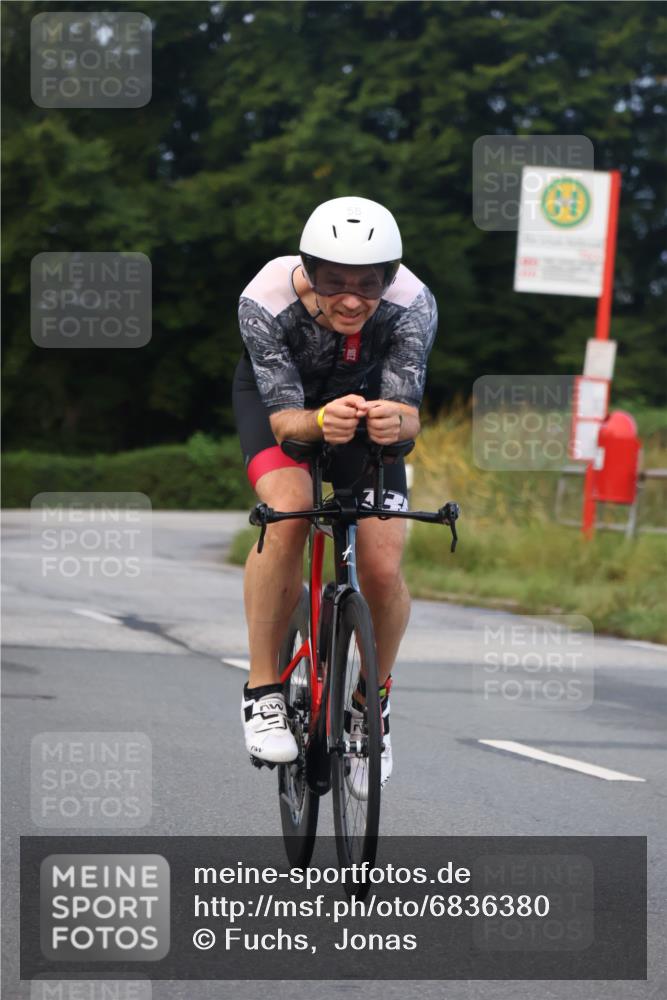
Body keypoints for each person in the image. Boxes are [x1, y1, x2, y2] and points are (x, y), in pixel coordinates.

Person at [233, 196, 437, 796]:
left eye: (368, 285)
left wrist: (394, 423)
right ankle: (264, 689)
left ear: (390, 279)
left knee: (381, 562)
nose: (351, 299)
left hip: (367, 409)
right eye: (334, 283)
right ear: (309, 271)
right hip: (284, 407)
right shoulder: (264, 300)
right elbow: (285, 424)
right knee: (289, 513)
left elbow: (409, 414)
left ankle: (369, 704)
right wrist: (320, 420)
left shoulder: (412, 305)